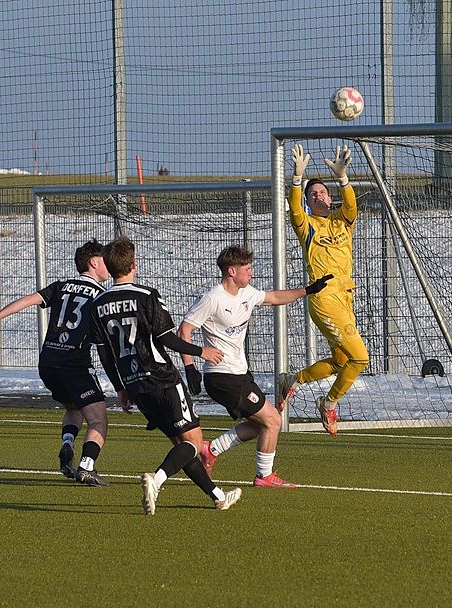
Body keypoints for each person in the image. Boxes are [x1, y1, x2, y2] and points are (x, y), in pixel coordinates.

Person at [87, 236, 242, 515]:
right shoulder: (146, 296)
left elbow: (105, 354)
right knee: (193, 444)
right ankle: (156, 480)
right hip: (162, 378)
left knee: (181, 446)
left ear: (109, 269)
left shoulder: (97, 304)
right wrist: (200, 351)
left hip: (135, 386)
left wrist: (121, 388)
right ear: (134, 264)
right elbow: (166, 338)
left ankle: (217, 496)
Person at [178, 245, 332, 487]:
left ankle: (212, 449)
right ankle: (264, 476)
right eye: (247, 269)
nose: (251, 273)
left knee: (261, 423)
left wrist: (308, 290)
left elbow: (273, 297)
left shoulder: (247, 292)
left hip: (240, 375)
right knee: (272, 421)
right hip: (222, 377)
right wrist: (190, 367)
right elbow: (184, 330)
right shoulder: (212, 298)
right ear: (232, 271)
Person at [0, 238, 113, 486]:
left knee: (74, 408)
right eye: (105, 261)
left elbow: (29, 300)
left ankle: (67, 445)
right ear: (93, 262)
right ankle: (86, 466)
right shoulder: (102, 295)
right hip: (75, 364)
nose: (109, 266)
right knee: (98, 419)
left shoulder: (61, 286)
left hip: (48, 361)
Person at [275, 144, 370, 435]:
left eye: (322, 192)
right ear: (308, 202)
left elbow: (352, 206)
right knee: (360, 358)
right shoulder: (307, 226)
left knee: (342, 360)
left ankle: (294, 380)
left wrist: (343, 179)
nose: (319, 196)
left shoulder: (342, 222)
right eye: (312, 194)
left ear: (331, 197)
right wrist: (296, 179)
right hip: (323, 299)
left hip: (345, 298)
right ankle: (328, 403)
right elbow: (293, 210)